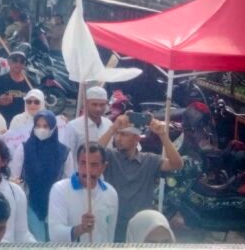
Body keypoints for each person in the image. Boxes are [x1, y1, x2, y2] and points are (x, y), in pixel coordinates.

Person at [98, 113, 184, 241]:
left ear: (136, 139)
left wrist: (163, 135)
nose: (118, 138)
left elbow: (177, 164)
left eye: (124, 135)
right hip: (114, 223)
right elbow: (90, 153)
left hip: (141, 224)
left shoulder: (149, 160)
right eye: (118, 134)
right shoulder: (110, 156)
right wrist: (112, 129)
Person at [9, 110, 73, 242]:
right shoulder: (24, 148)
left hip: (56, 205)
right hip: (30, 203)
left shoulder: (64, 152)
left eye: (45, 126)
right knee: (36, 241)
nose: (41, 129)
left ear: (53, 128)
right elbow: (15, 177)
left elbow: (68, 182)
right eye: (38, 126)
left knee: (55, 241)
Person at [48, 143, 118, 243]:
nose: (88, 170)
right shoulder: (60, 190)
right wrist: (81, 229)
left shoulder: (111, 193)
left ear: (103, 167)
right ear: (77, 164)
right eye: (83, 163)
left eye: (94, 164)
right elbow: (55, 235)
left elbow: (109, 237)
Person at [63, 86, 113, 161]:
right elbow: (66, 156)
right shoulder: (73, 126)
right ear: (85, 104)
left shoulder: (108, 123)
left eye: (102, 105)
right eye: (94, 104)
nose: (98, 109)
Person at [0, 51, 29, 124]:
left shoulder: (30, 83)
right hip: (2, 123)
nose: (18, 64)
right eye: (15, 60)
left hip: (23, 124)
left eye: (22, 61)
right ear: (9, 62)